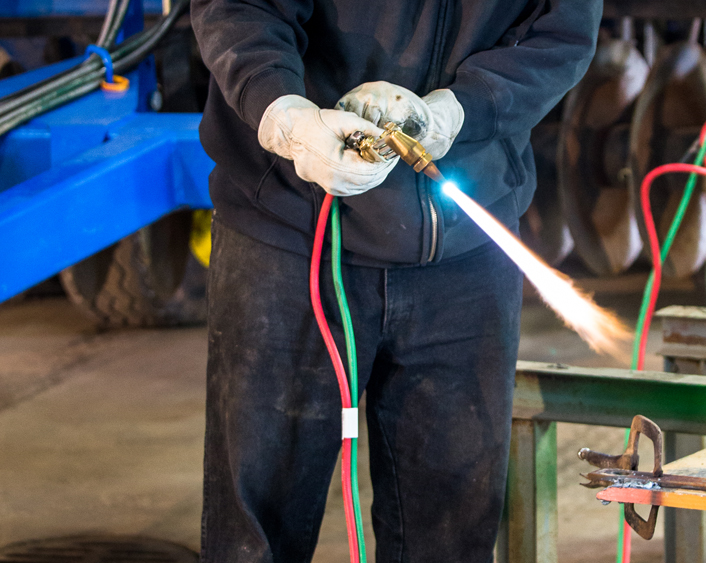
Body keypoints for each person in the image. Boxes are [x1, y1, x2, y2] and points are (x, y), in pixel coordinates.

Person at [189, 1, 600, 561]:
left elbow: (561, 31)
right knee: (258, 535)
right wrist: (285, 115)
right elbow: (241, 8)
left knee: (450, 533)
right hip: (290, 233)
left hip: (465, 250)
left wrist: (459, 110)